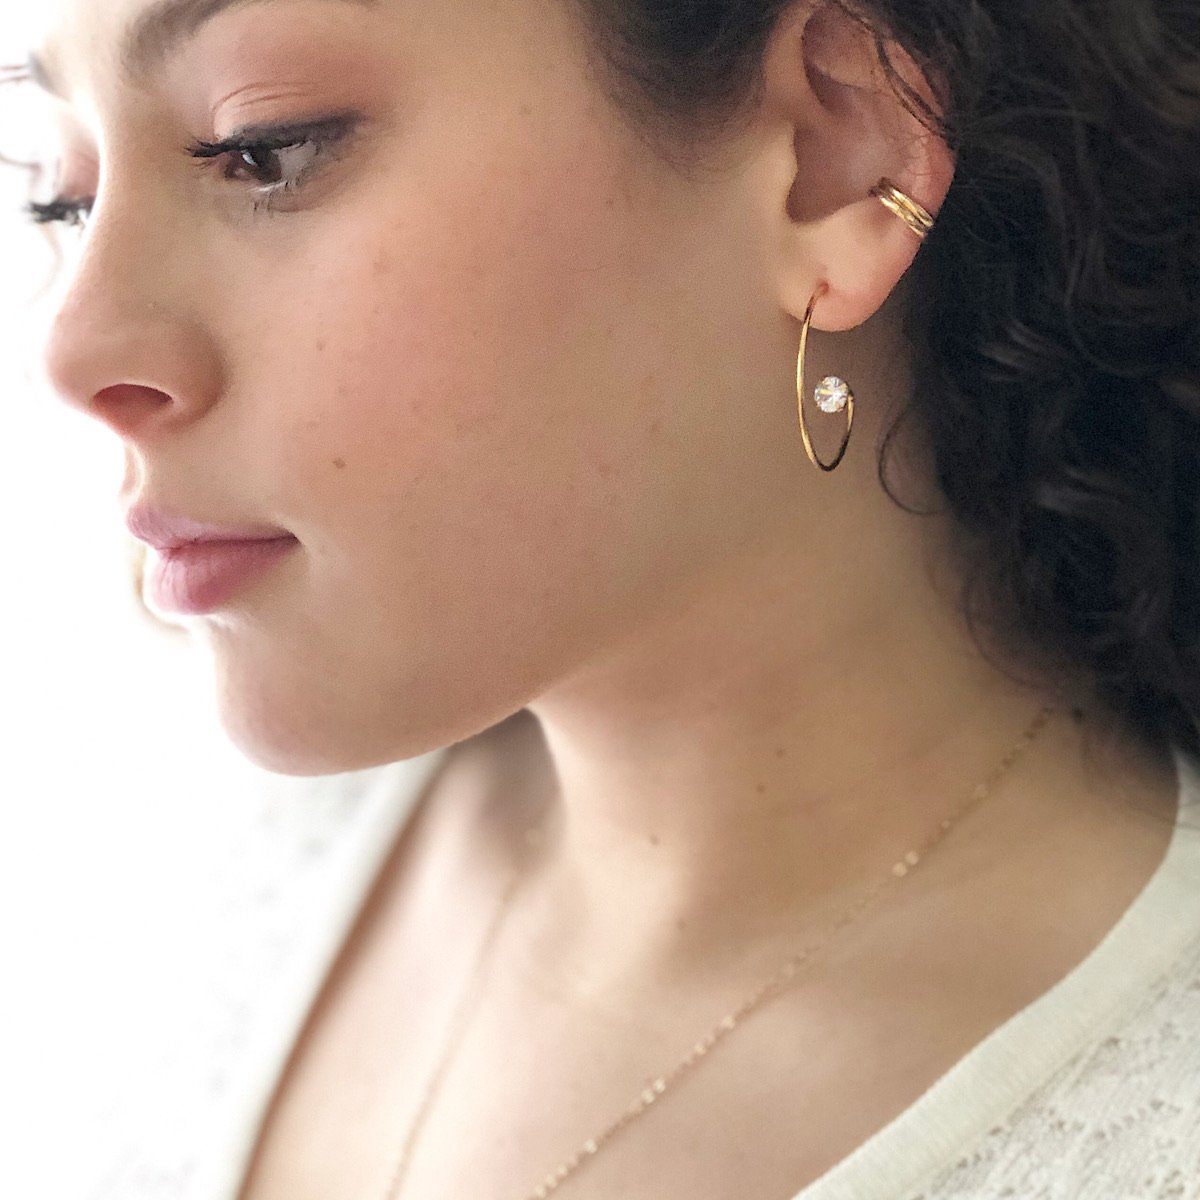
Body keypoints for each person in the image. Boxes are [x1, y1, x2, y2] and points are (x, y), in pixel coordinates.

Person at [6, 0, 1200, 1196]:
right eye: (64, 197)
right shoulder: (167, 875)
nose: (72, 350)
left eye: (263, 149)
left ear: (833, 161)